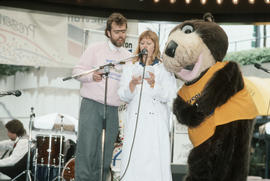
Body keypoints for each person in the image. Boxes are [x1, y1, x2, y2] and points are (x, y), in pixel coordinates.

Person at [72, 12, 132, 181]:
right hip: (91, 105)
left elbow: (128, 87)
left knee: (105, 156)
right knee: (87, 150)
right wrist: (92, 76)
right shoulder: (95, 49)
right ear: (108, 33)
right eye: (117, 32)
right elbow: (76, 72)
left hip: (112, 110)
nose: (121, 35)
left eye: (123, 31)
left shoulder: (128, 57)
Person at [118, 30, 177, 181]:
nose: (145, 45)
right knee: (134, 161)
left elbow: (171, 96)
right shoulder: (130, 67)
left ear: (155, 46)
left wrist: (154, 84)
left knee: (154, 163)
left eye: (148, 43)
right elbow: (122, 95)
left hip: (155, 124)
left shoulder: (164, 69)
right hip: (135, 123)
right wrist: (131, 84)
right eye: (142, 42)